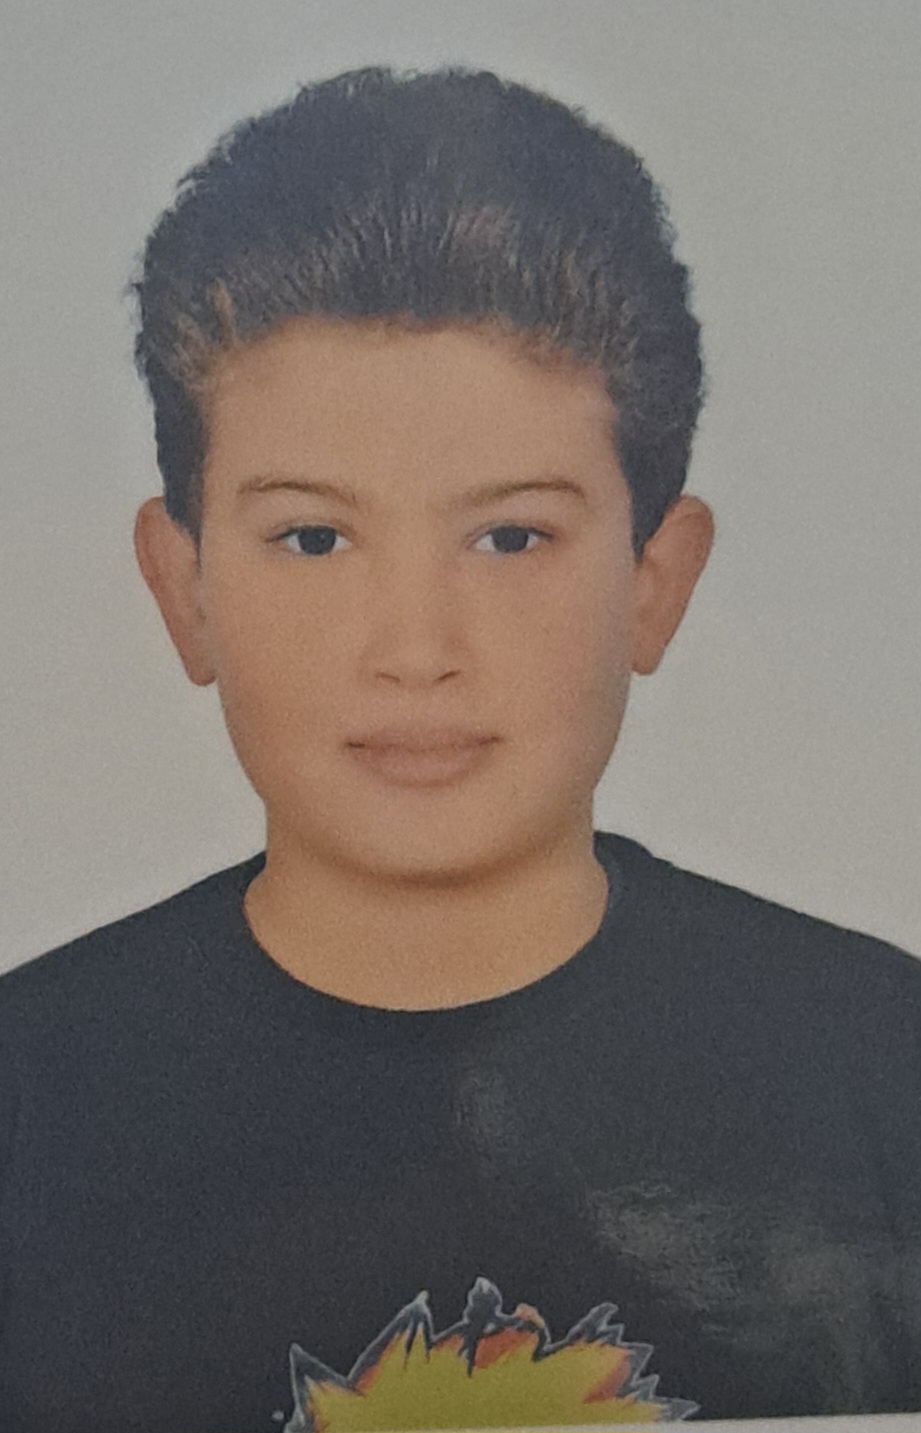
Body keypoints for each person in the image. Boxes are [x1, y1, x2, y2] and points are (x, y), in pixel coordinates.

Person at [0, 64, 918, 1433]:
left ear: (654, 581)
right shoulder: (29, 1105)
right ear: (182, 588)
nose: (415, 647)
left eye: (511, 536)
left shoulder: (887, 1077)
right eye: (314, 537)